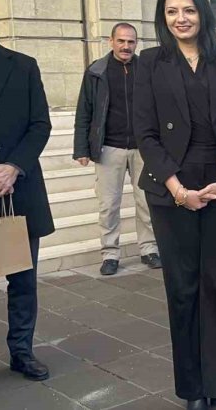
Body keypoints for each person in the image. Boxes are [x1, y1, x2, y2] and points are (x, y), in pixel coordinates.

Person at [132, 0, 216, 410]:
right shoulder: (150, 62)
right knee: (183, 290)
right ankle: (192, 389)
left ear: (202, 13)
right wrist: (178, 189)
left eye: (188, 10)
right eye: (171, 11)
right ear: (162, 18)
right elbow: (145, 135)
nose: (180, 18)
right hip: (171, 191)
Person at [0, 0, 53, 395]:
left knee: (24, 281)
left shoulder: (23, 67)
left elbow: (40, 124)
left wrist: (13, 167)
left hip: (20, 192)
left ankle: (22, 351)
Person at [73, 22, 160, 275]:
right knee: (109, 204)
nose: (126, 46)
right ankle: (110, 254)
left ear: (136, 43)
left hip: (144, 147)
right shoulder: (96, 71)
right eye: (121, 41)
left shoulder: (147, 69)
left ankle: (149, 249)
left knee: (146, 201)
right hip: (108, 147)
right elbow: (84, 111)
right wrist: (81, 148)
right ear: (111, 41)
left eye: (131, 41)